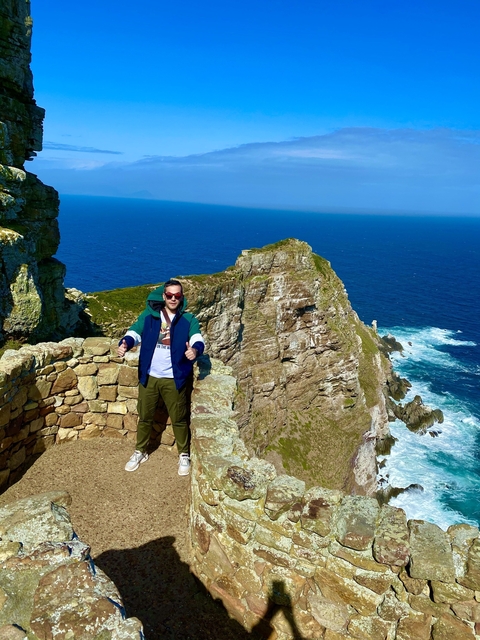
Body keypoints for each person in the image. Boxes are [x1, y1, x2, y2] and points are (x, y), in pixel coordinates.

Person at [117, 279, 204, 476]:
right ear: (164, 296)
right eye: (170, 295)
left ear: (181, 298)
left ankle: (184, 454)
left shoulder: (188, 319)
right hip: (150, 376)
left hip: (175, 377)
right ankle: (140, 451)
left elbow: (197, 337)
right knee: (145, 417)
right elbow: (134, 333)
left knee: (179, 418)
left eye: (178, 296)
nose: (174, 299)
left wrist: (196, 350)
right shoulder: (149, 317)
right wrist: (126, 343)